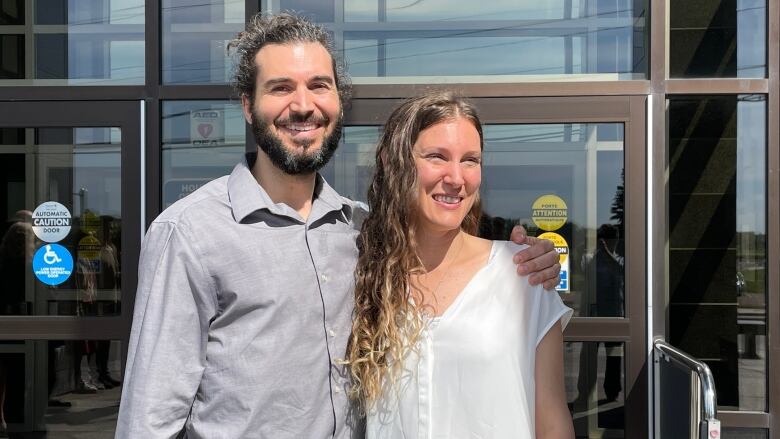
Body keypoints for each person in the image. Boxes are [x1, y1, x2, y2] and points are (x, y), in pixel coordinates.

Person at [116, 13, 561, 438]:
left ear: (337, 101)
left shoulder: (363, 232)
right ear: (248, 107)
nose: (303, 105)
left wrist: (520, 259)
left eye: (319, 86)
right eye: (281, 87)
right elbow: (149, 421)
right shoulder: (190, 234)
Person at [346, 92, 574, 438]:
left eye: (470, 160)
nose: (456, 178)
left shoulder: (523, 277)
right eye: (437, 157)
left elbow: (553, 422)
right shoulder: (365, 276)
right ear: (392, 162)